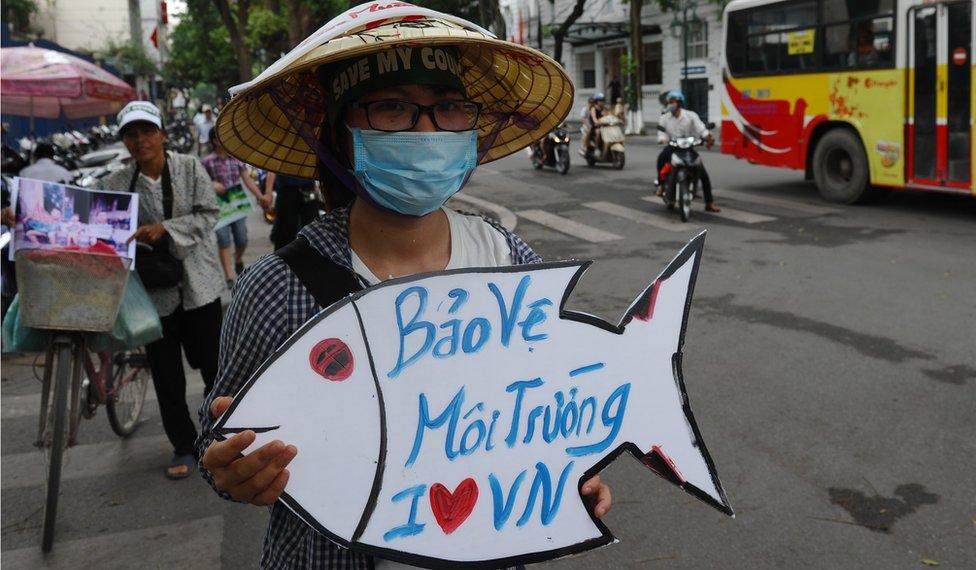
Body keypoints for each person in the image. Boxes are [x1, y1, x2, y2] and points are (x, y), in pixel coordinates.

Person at [196, 5, 612, 568]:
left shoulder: (510, 262)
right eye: (393, 108)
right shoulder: (274, 287)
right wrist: (230, 469)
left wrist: (573, 472)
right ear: (343, 134)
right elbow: (219, 439)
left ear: (471, 128)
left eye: (448, 108)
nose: (426, 130)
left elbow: (547, 404)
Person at [104, 101, 226, 479]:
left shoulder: (190, 167)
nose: (140, 140)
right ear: (125, 141)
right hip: (153, 295)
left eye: (146, 131)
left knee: (215, 368)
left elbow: (210, 213)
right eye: (131, 134)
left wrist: (166, 229)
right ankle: (184, 445)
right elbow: (103, 226)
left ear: (161, 134)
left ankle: (222, 436)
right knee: (165, 375)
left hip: (199, 285)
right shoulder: (117, 183)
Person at [201, 129, 271, 288]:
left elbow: (248, 181)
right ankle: (229, 277)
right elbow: (201, 182)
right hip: (218, 207)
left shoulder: (237, 160)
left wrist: (261, 197)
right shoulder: (207, 162)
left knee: (242, 238)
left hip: (238, 206)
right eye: (222, 137)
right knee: (223, 239)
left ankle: (238, 259)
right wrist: (212, 185)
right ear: (214, 141)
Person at [654, 90, 721, 213]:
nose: (670, 104)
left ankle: (709, 203)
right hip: (673, 146)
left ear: (679, 103)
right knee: (661, 158)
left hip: (688, 146)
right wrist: (662, 139)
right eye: (669, 102)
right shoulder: (664, 118)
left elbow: (701, 129)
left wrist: (707, 137)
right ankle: (661, 185)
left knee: (703, 173)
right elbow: (661, 133)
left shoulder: (691, 115)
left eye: (672, 101)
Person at [264, 172, 321, 251]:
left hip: (309, 188)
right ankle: (282, 260)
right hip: (287, 190)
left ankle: (311, 258)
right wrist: (268, 192)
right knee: (285, 232)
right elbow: (273, 168)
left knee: (312, 230)